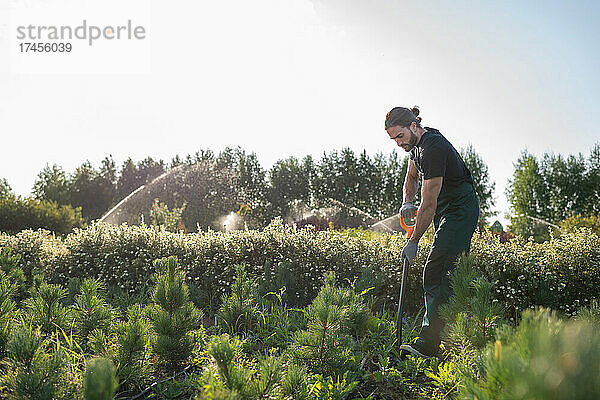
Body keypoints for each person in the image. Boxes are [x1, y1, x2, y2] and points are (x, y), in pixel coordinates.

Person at [385, 106, 479, 358]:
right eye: (393, 139)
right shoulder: (415, 147)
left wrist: (414, 240)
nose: (398, 143)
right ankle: (455, 336)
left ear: (413, 126)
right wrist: (407, 202)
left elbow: (428, 204)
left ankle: (429, 344)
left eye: (400, 137)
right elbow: (411, 177)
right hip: (446, 211)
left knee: (437, 269)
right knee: (447, 271)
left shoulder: (432, 149)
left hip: (459, 209)